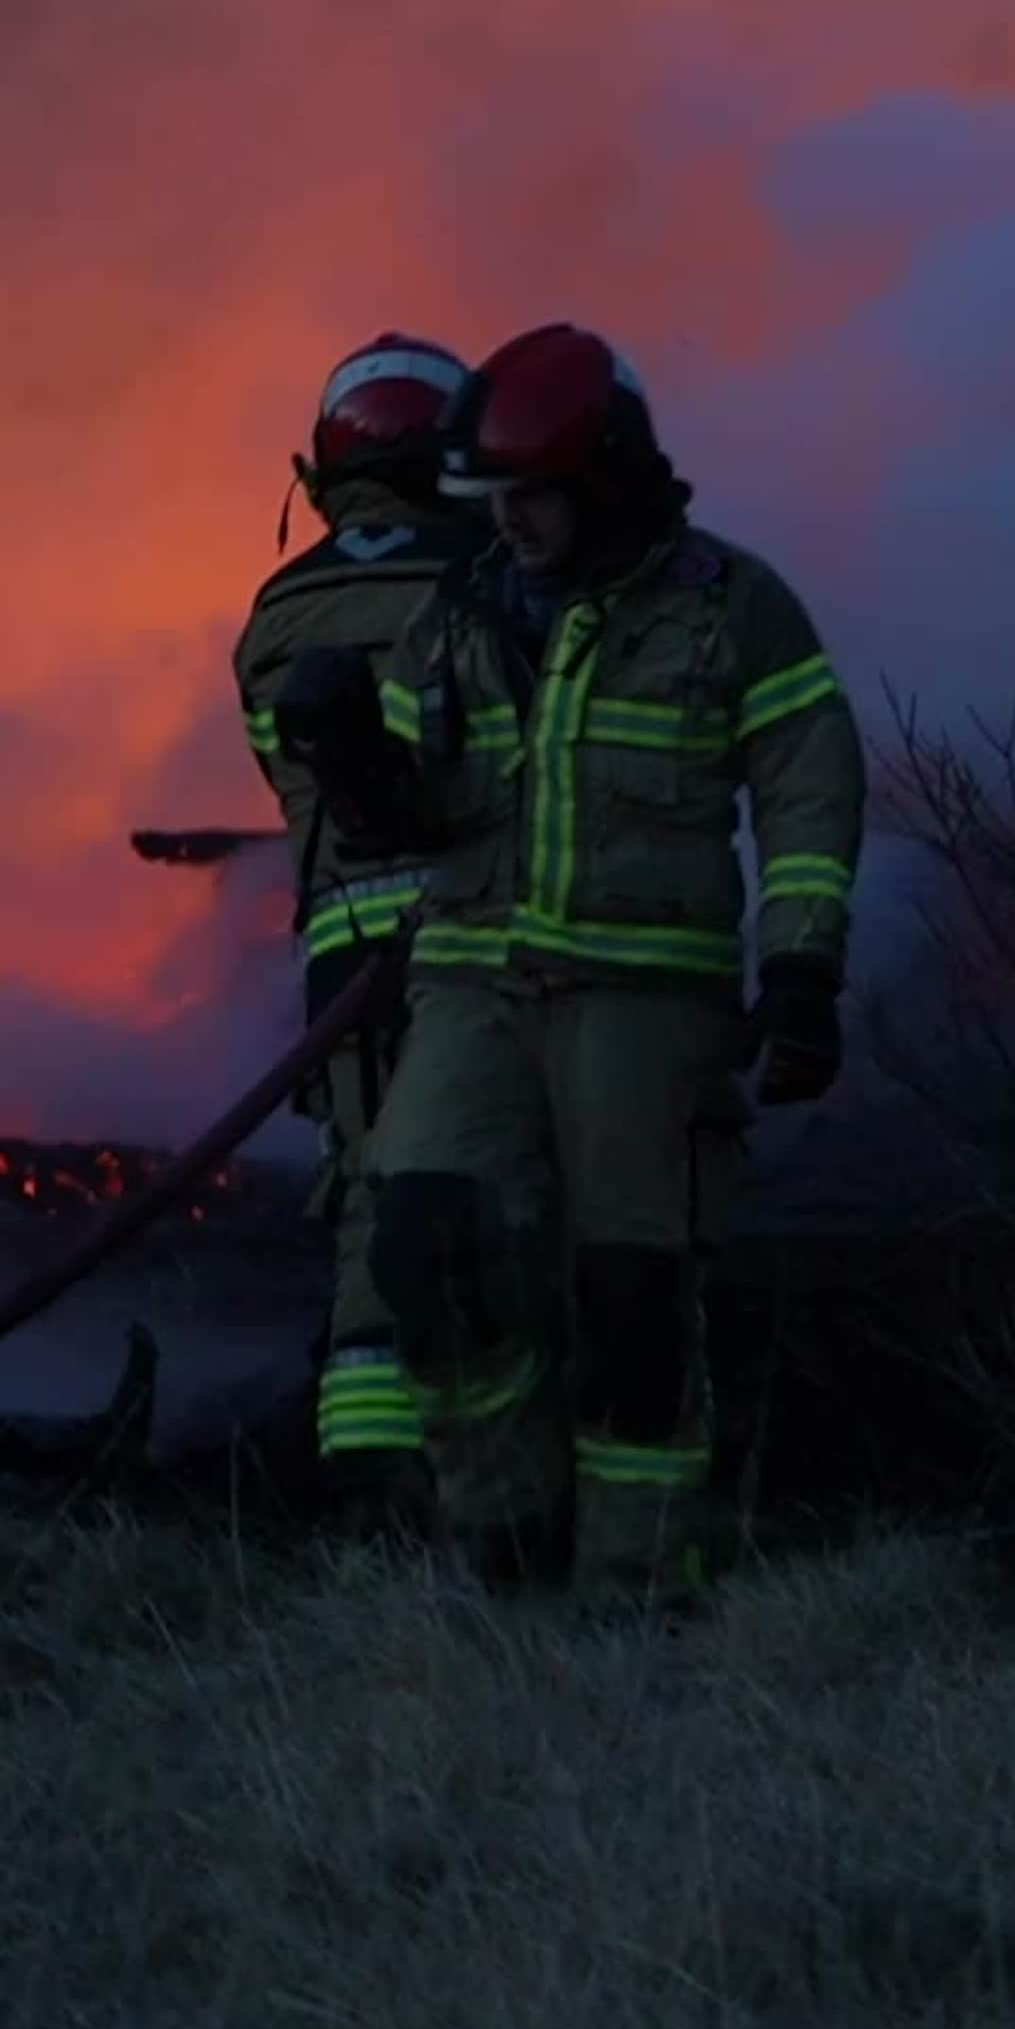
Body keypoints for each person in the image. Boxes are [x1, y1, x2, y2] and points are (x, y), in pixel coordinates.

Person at [337, 321, 867, 1612]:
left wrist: (800, 969)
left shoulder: (729, 608)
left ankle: (634, 1590)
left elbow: (810, 783)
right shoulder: (460, 619)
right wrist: (355, 762)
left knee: (633, 1300)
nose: (504, 524)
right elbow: (411, 808)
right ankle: (510, 1545)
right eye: (491, 500)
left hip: (645, 1002)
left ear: (604, 477)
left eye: (528, 497)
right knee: (424, 1241)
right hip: (472, 986)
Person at [232, 331, 489, 1531]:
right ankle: (499, 1477)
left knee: (367, 1209)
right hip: (484, 942)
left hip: (345, 970)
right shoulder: (502, 576)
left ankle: (369, 1500)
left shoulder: (277, 611)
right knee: (501, 1192)